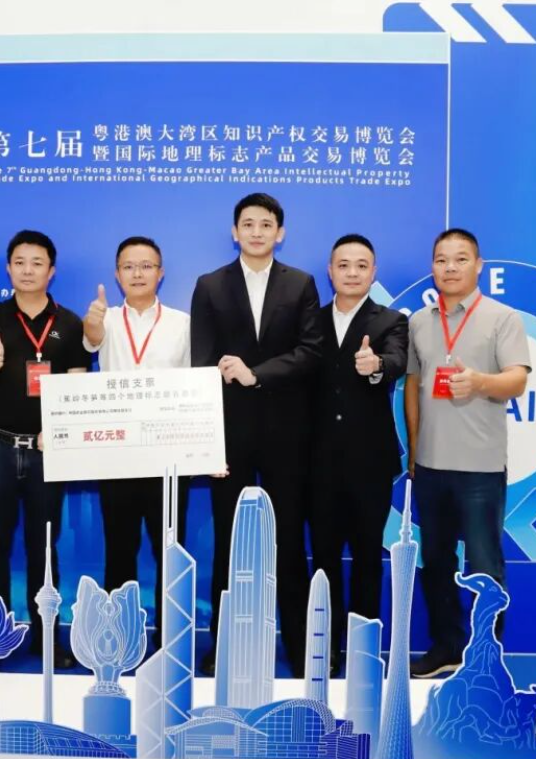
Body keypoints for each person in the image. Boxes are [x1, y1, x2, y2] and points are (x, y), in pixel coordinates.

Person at [190, 192, 322, 676]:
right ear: (235, 231)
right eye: (248, 224)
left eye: (266, 224)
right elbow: (202, 365)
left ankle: (301, 647)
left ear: (279, 232)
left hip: (288, 434)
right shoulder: (210, 285)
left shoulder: (301, 283)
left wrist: (256, 374)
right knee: (230, 542)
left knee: (289, 541)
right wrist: (207, 443)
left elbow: (311, 352)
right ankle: (223, 645)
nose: (257, 232)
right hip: (230, 438)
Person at [404, 228, 531, 678]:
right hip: (430, 466)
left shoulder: (502, 318)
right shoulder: (419, 323)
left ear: (479, 266)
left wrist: (479, 382)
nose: (450, 267)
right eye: (441, 259)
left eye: (461, 259)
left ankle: (485, 660)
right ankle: (446, 647)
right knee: (436, 563)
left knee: (484, 566)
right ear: (432, 267)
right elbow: (413, 385)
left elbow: (517, 380)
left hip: (480, 467)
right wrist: (414, 448)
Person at [0, 229, 89, 669]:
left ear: (51, 271)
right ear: (8, 268)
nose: (27, 270)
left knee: (45, 548)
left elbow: (77, 381)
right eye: (19, 262)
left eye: (37, 263)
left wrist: (56, 428)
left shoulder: (70, 323)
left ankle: (47, 639)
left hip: (46, 451)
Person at [82, 236, 192, 644]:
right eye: (129, 266)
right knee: (119, 548)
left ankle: (171, 638)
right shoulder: (105, 318)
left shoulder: (182, 323)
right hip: (119, 456)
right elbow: (91, 341)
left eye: (147, 266)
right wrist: (93, 322)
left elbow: (195, 385)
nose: (138, 273)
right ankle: (119, 638)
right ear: (117, 274)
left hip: (168, 457)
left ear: (160, 273)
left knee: (170, 552)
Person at [309, 233, 408, 675]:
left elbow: (396, 359)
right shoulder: (309, 320)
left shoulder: (390, 320)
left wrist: (376, 367)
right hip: (316, 462)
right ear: (330, 271)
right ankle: (325, 648)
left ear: (373, 272)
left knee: (368, 557)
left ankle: (364, 650)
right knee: (324, 558)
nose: (352, 273)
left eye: (361, 265)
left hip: (370, 461)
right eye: (343, 265)